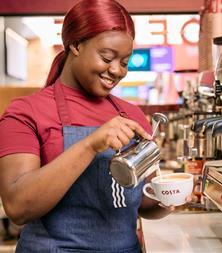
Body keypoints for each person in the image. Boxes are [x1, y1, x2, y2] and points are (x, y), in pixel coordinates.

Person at [0, 0, 176, 252]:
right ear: (75, 44)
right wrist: (91, 144)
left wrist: (169, 198)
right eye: (106, 57)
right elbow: (18, 207)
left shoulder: (132, 114)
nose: (116, 70)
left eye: (125, 62)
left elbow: (140, 203)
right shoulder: (25, 112)